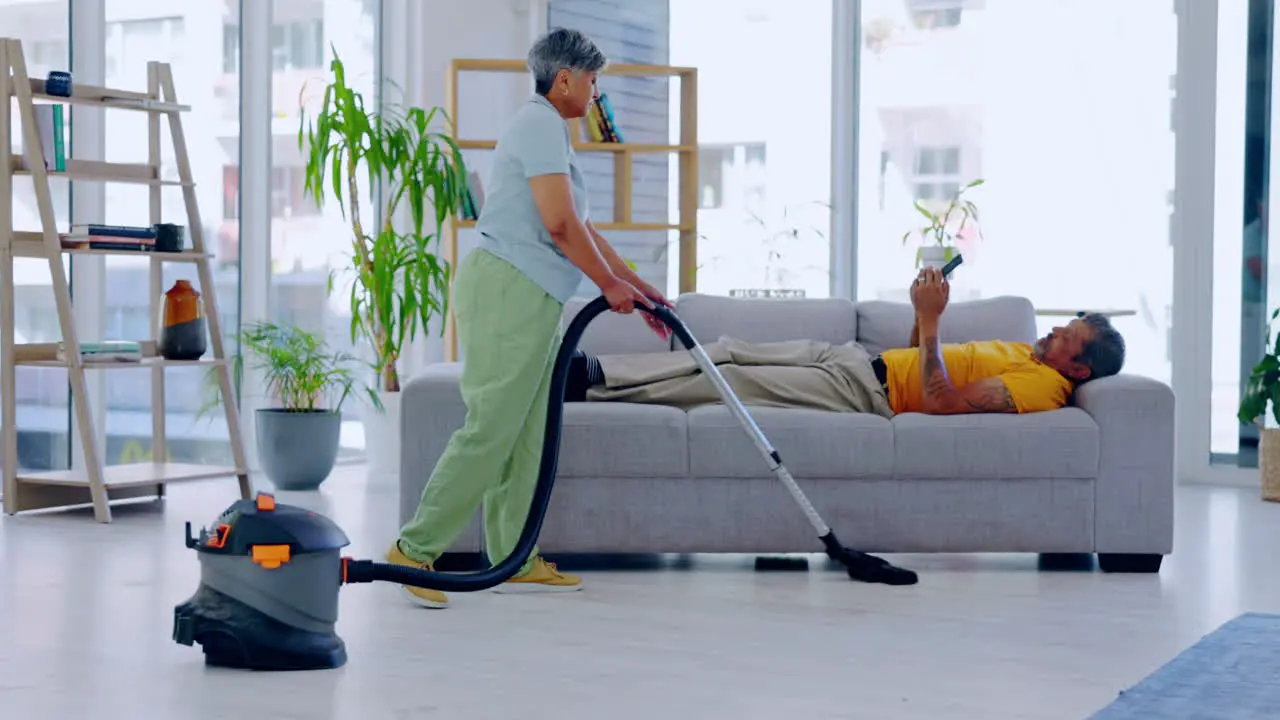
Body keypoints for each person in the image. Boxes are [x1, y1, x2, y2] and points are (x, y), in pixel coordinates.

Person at [386, 28, 672, 609]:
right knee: (494, 424)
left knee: (526, 430)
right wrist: (609, 287)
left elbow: (581, 226)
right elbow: (560, 228)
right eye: (592, 80)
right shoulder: (540, 123)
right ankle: (412, 551)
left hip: (533, 291)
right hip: (508, 289)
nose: (595, 93)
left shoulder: (552, 133)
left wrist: (641, 292)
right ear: (564, 78)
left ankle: (512, 557)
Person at [567, 267, 1126, 416]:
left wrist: (933, 324)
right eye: (1062, 326)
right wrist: (919, 316)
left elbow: (940, 402)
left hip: (865, 394)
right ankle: (596, 372)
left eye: (1067, 339)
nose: (1053, 332)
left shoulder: (1042, 387)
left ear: (1078, 371)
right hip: (858, 361)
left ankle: (589, 386)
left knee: (732, 383)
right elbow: (922, 361)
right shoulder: (1027, 353)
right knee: (727, 349)